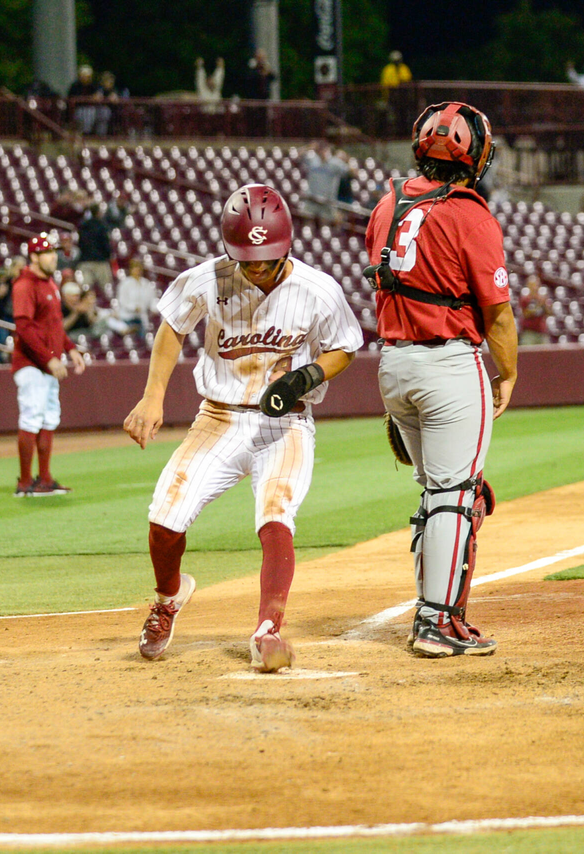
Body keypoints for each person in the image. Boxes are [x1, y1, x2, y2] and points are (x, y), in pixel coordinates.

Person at [124, 184, 362, 672]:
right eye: (245, 258)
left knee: (275, 516)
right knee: (164, 518)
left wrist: (308, 375)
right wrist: (152, 397)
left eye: (264, 258)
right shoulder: (206, 279)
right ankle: (169, 598)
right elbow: (172, 326)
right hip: (219, 416)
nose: (255, 267)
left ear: (286, 246)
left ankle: (267, 629)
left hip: (285, 422)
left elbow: (344, 346)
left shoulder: (319, 289)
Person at [363, 101, 518, 658]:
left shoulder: (387, 205)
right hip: (449, 362)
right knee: (458, 495)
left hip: (392, 364)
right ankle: (438, 621)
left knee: (435, 493)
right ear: (474, 155)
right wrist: (509, 373)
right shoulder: (470, 213)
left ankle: (434, 611)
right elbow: (497, 312)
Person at [11, 234, 87, 497]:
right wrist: (48, 358)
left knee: (49, 418)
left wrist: (70, 348)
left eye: (54, 251)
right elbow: (24, 327)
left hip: (46, 362)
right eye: (46, 252)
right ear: (34, 256)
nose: (53, 256)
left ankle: (44, 479)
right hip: (31, 363)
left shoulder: (49, 283)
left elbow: (53, 325)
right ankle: (24, 483)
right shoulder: (25, 284)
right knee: (32, 417)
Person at [115, 257, 157, 334]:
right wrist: (134, 308)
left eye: (139, 267)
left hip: (142, 317)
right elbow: (122, 301)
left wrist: (154, 308)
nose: (137, 270)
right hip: (128, 317)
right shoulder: (124, 284)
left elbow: (152, 299)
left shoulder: (146, 284)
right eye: (135, 267)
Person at [76, 203, 114, 290]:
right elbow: (106, 244)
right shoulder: (102, 226)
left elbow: (80, 243)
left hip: (86, 260)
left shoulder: (83, 225)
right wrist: (108, 255)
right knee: (106, 288)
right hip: (100, 262)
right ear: (98, 212)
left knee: (84, 288)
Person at [68, 65, 101, 135]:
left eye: (88, 76)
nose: (86, 78)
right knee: (85, 114)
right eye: (84, 76)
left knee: (94, 113)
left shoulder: (93, 85)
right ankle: (85, 134)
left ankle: (90, 133)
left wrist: (97, 95)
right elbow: (72, 97)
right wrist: (89, 98)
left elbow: (98, 94)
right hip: (78, 108)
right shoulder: (75, 86)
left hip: (91, 108)